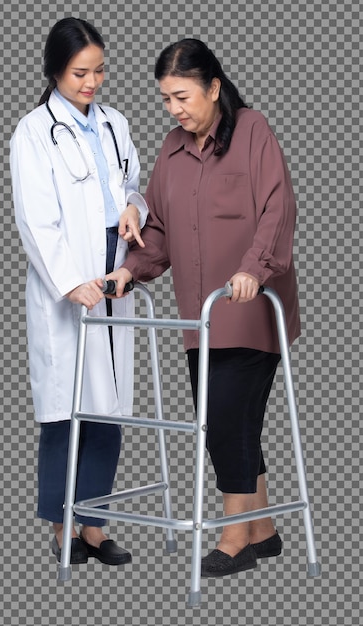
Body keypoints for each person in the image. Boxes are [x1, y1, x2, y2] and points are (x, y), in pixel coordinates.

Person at [108, 38, 301, 577]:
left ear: (214, 88)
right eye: (166, 99)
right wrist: (129, 270)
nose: (175, 109)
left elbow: (277, 207)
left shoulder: (253, 130)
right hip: (200, 318)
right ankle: (263, 530)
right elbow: (161, 231)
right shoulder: (171, 150)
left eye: (183, 96)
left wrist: (252, 269)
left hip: (252, 310)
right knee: (227, 423)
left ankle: (233, 538)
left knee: (224, 424)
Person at [10, 17, 148, 567]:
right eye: (80, 73)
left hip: (116, 279)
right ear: (54, 72)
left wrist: (136, 205)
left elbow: (131, 184)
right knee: (65, 413)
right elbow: (36, 221)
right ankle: (63, 528)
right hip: (67, 290)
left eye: (99, 71)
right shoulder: (33, 131)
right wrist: (71, 283)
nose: (92, 83)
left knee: (108, 409)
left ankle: (95, 526)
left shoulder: (114, 123)